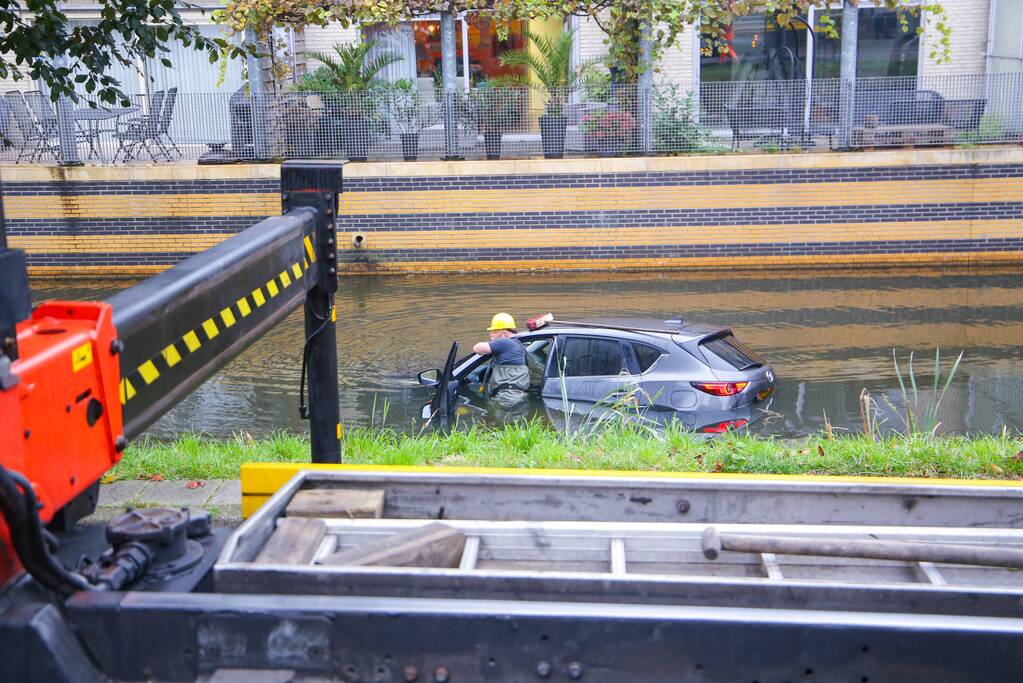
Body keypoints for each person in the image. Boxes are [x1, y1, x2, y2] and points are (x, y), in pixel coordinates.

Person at [473, 313, 530, 409]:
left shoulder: (505, 342)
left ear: (504, 332)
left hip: (507, 399)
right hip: (513, 397)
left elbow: (477, 348)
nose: (491, 334)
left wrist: (493, 344)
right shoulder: (518, 344)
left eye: (494, 331)